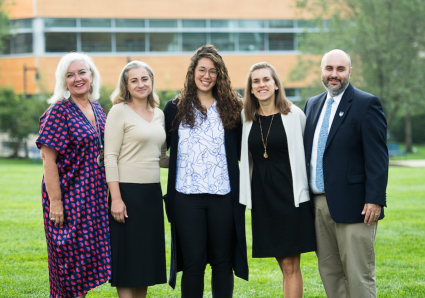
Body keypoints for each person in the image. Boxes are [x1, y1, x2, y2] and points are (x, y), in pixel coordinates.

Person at [163, 45, 248, 297]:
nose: (207, 75)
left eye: (213, 71)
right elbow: (159, 149)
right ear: (192, 72)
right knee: (193, 263)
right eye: (202, 69)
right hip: (186, 199)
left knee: (223, 263)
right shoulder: (174, 107)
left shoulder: (233, 107)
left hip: (223, 197)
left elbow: (245, 151)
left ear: (220, 75)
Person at [303, 49, 388, 298]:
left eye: (340, 69)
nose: (334, 74)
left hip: (356, 205)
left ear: (350, 71)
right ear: (321, 71)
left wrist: (375, 198)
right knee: (330, 272)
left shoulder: (366, 103)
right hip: (318, 205)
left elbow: (378, 157)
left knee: (358, 274)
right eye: (329, 68)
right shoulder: (312, 104)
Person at [36, 52, 111, 298]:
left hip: (94, 200)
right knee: (70, 265)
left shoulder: (98, 109)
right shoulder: (59, 111)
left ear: (91, 76)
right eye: (70, 75)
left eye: (82, 72)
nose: (77, 78)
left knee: (85, 266)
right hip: (68, 199)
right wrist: (56, 202)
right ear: (64, 81)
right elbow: (48, 158)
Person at [239, 62, 316, 298]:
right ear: (251, 89)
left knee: (291, 265)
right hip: (263, 198)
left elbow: (308, 155)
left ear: (275, 85)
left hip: (291, 197)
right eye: (256, 81)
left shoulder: (294, 115)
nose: (261, 84)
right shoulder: (245, 118)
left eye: (266, 80)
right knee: (283, 265)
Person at [104, 60, 169, 298]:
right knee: (127, 260)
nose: (140, 84)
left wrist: (194, 159)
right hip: (127, 193)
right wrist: (116, 199)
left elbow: (161, 158)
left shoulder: (160, 115)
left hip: (152, 195)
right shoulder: (118, 111)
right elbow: (109, 157)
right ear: (126, 85)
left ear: (151, 80)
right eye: (134, 80)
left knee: (146, 261)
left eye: (144, 79)